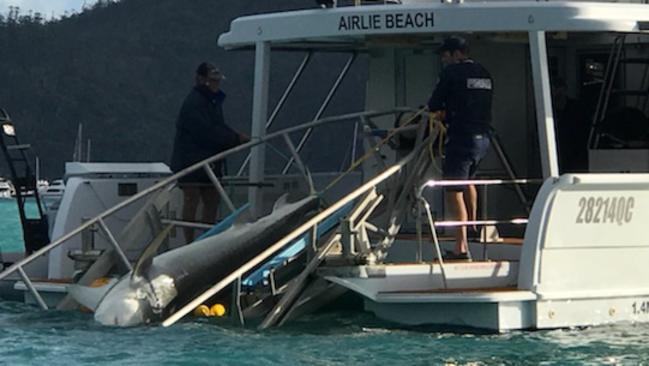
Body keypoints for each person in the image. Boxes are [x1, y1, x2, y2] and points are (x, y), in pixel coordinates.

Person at [427, 36, 493, 260]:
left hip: (461, 138)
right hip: (483, 138)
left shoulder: (451, 73)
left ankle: (461, 247)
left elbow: (434, 104)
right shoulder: (484, 72)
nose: (444, 59)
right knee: (469, 182)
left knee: (453, 189)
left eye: (445, 54)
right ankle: (473, 229)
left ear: (456, 53)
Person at [170, 62, 249, 243]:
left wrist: (234, 136)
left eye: (218, 81)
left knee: (212, 198)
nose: (216, 84)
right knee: (192, 198)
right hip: (189, 160)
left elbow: (217, 127)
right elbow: (206, 131)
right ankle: (189, 242)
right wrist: (234, 139)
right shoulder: (194, 103)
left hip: (209, 159)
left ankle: (208, 239)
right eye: (213, 81)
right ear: (201, 79)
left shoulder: (212, 101)